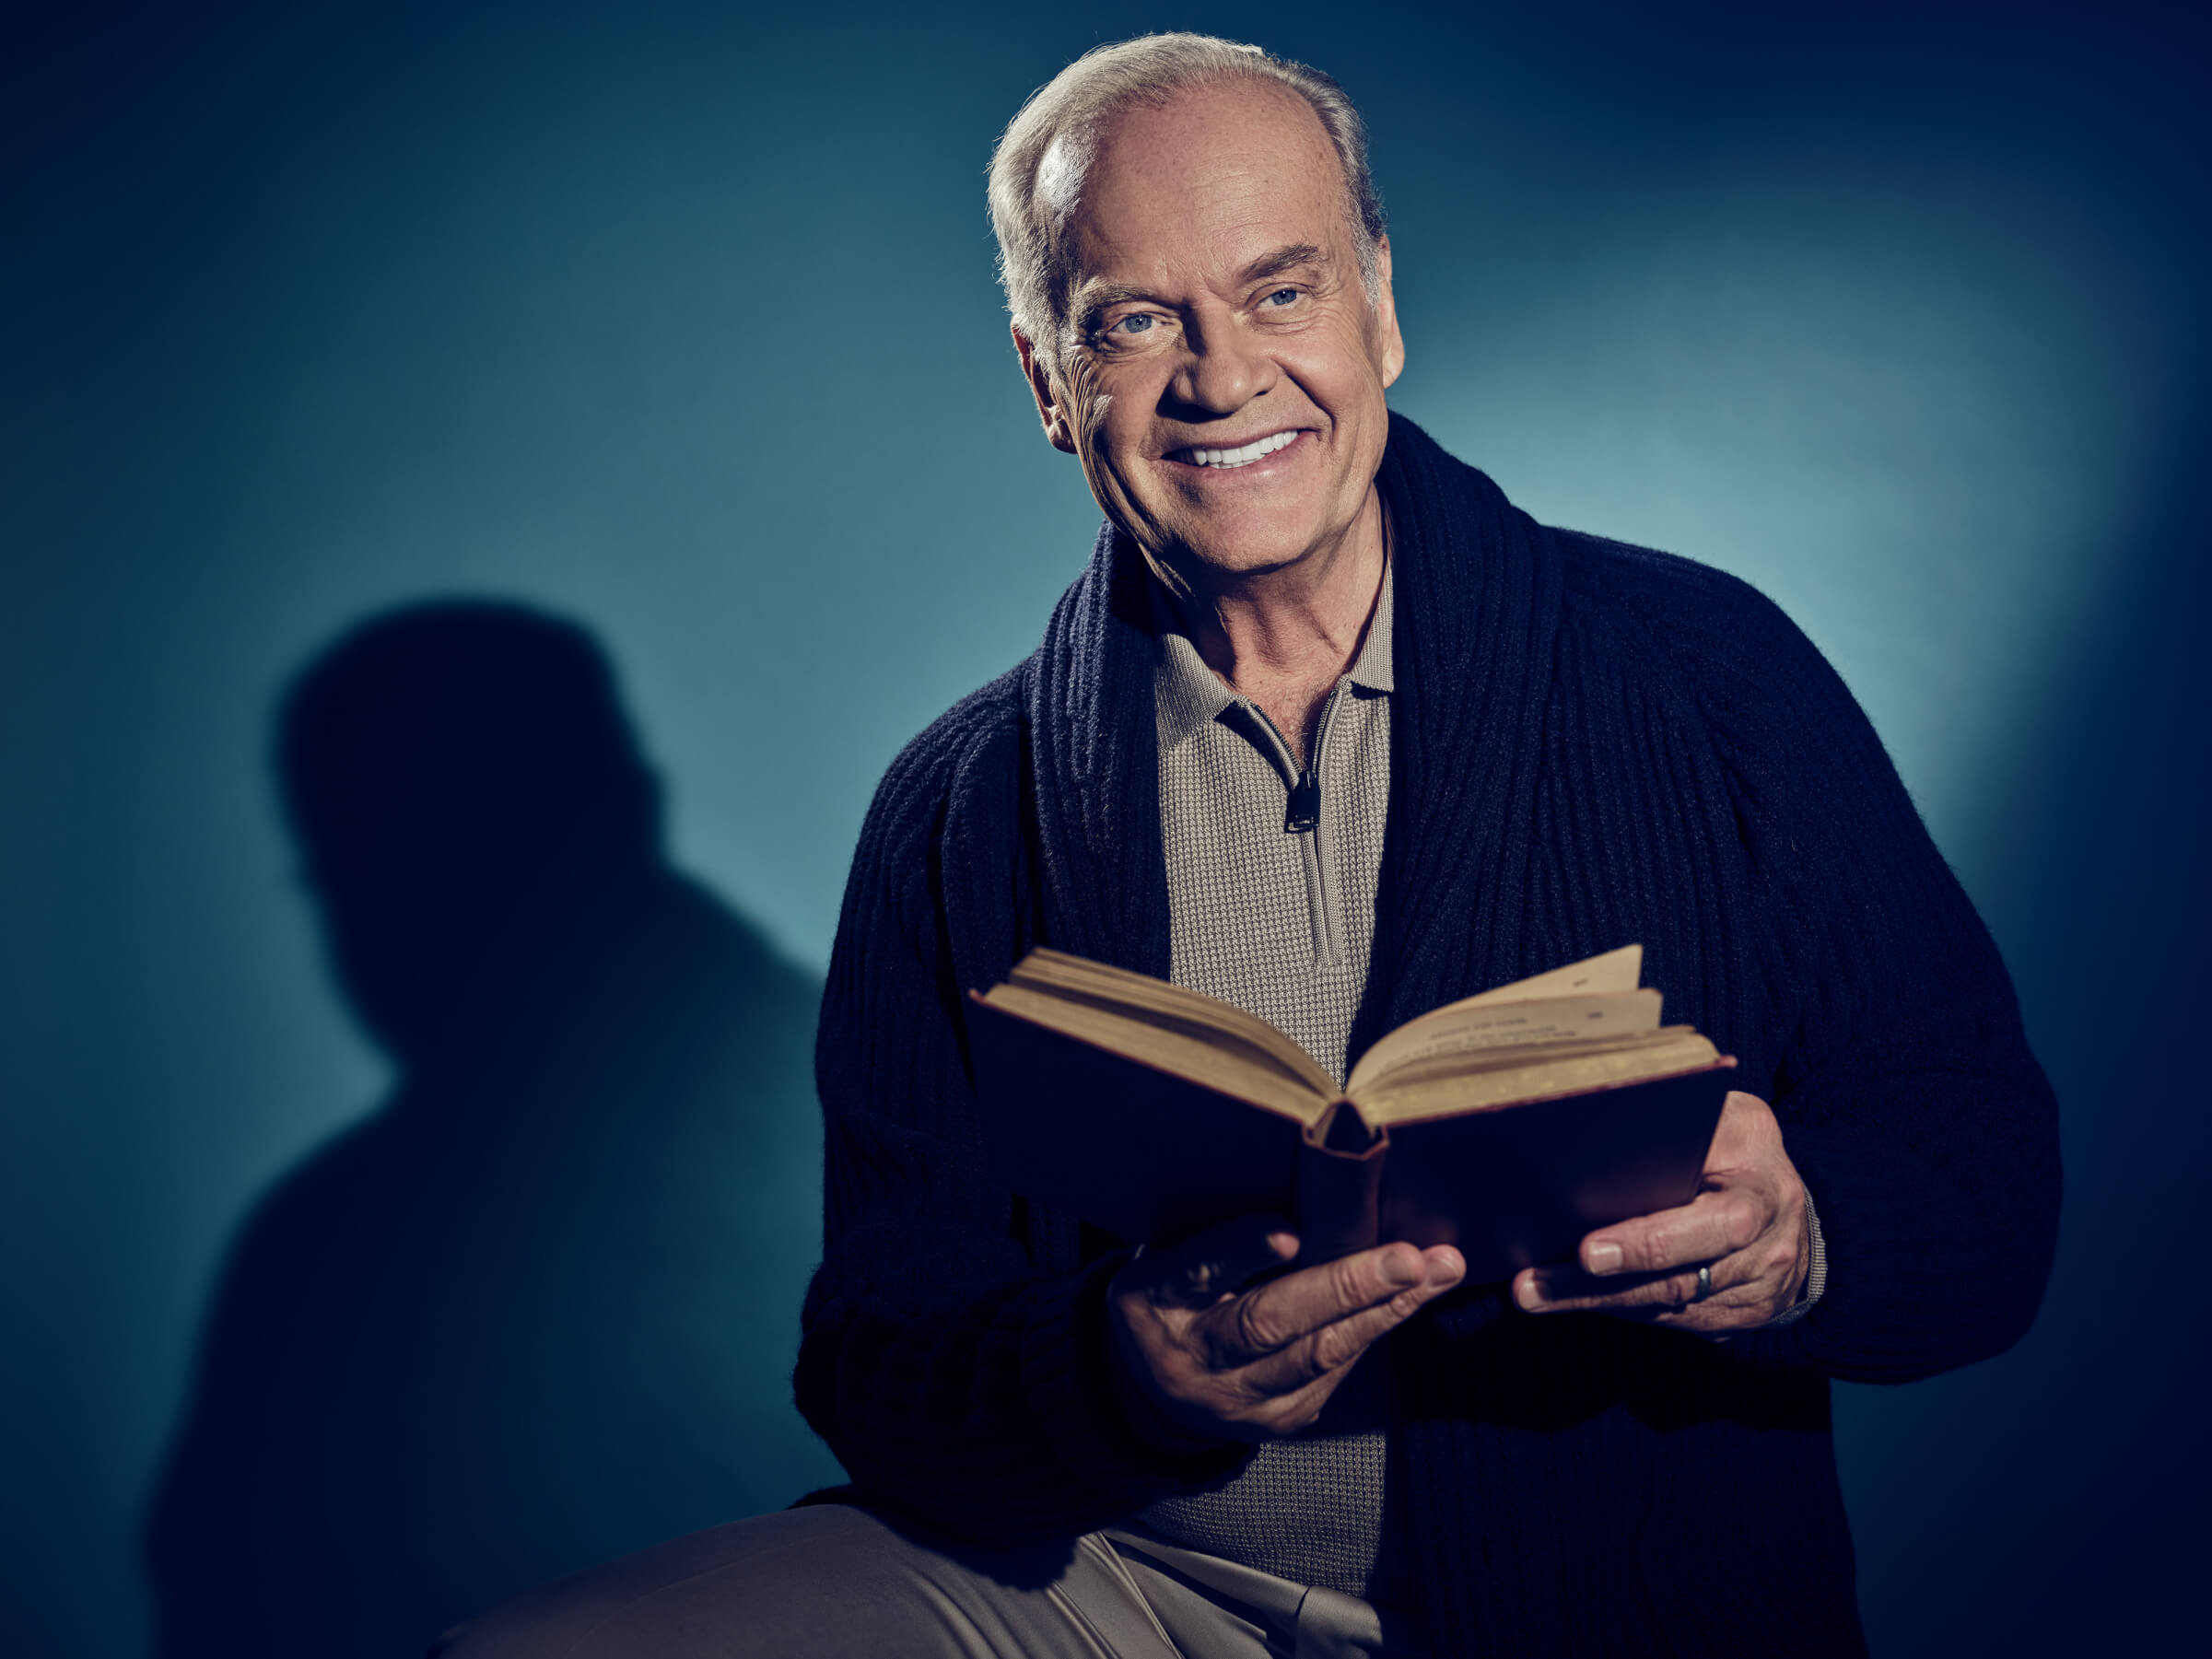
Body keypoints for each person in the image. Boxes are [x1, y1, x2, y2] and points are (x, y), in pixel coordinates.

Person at [443, 32, 2058, 1658]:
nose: (1220, 380)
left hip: (1588, 1606)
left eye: (1279, 292)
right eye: (1133, 322)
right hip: (1110, 1584)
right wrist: (1111, 1371)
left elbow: (1985, 1178)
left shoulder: (1708, 672)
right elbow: (876, 1349)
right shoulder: (955, 803)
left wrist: (1804, 1244)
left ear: (1379, 307)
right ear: (1045, 383)